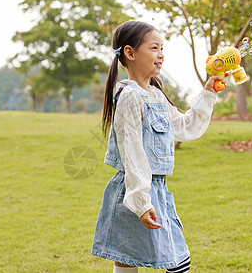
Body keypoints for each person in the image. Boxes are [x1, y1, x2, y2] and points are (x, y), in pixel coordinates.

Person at [91, 21, 224, 273]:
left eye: (162, 48)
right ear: (130, 53)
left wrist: (208, 93)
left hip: (156, 191)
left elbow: (185, 128)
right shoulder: (130, 96)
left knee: (137, 258)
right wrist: (141, 201)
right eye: (154, 47)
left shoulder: (156, 94)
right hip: (134, 190)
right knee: (145, 259)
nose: (161, 54)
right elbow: (132, 152)